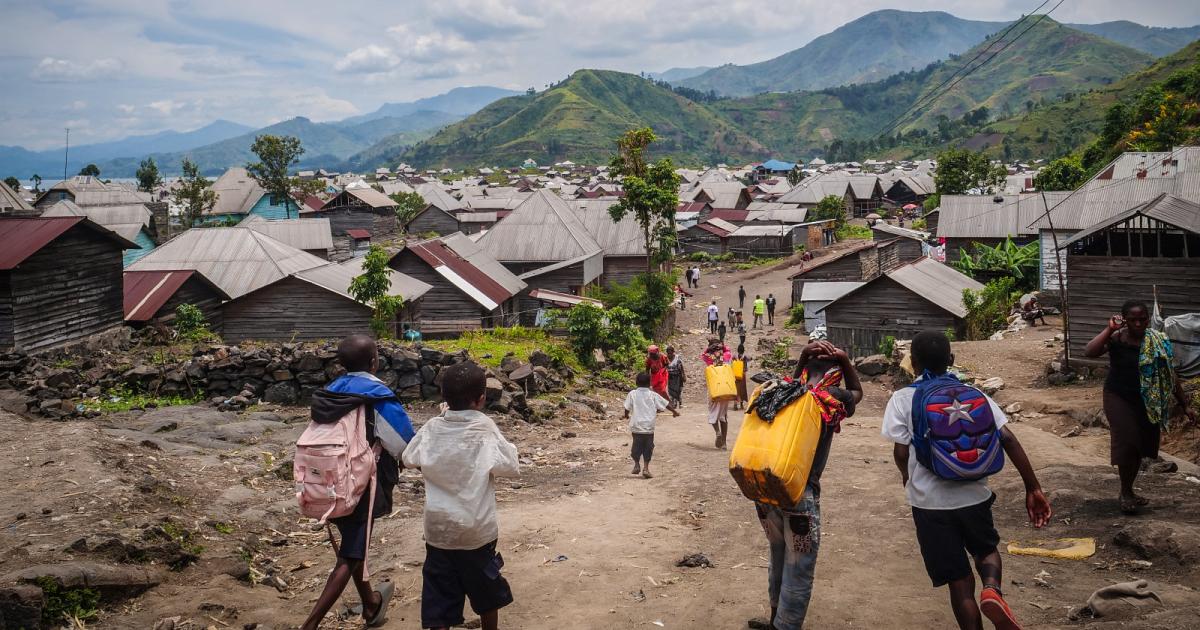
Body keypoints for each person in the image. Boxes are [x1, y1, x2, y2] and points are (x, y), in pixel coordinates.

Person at [882, 331, 1052, 630]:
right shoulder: (973, 393)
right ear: (951, 360)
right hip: (974, 495)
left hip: (929, 503)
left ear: (914, 363)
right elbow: (1007, 438)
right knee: (985, 550)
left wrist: (907, 479)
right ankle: (992, 590)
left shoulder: (902, 399)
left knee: (959, 583)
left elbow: (900, 450)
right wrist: (1033, 487)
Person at [301, 335, 415, 630]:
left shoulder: (329, 393)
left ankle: (371, 603)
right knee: (352, 553)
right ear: (374, 361)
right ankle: (310, 624)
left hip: (328, 480)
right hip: (363, 484)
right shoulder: (377, 396)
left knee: (353, 546)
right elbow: (403, 443)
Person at [749, 339, 862, 630]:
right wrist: (845, 359)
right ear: (833, 373)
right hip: (800, 495)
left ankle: (774, 618)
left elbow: (794, 378)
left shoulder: (779, 391)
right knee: (798, 566)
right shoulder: (829, 397)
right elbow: (857, 394)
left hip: (765, 491)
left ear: (804, 369)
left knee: (777, 553)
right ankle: (784, 626)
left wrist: (801, 358)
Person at [403, 362, 520, 630]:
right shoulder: (484, 427)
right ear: (481, 399)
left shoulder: (433, 427)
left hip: (438, 531)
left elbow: (409, 457)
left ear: (443, 398)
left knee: (440, 598)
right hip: (476, 531)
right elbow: (510, 466)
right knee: (485, 590)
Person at [1083, 299, 1196, 514]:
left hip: (1148, 401)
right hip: (1118, 396)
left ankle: (1129, 490)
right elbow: (1090, 351)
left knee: (1140, 447)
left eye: (1142, 319)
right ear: (1124, 319)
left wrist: (1184, 405)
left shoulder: (1158, 341)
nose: (1138, 324)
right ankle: (1126, 492)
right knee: (1127, 442)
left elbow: (1169, 375)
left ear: (1147, 319)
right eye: (1132, 320)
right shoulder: (1116, 339)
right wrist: (1109, 328)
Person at [624, 371, 679, 479]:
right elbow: (666, 404)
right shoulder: (653, 395)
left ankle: (636, 464)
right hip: (649, 427)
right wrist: (674, 412)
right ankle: (646, 468)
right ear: (650, 383)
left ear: (636, 383)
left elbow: (626, 407)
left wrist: (626, 415)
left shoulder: (632, 394)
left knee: (636, 446)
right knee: (648, 447)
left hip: (636, 426)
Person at [701, 341, 733, 449]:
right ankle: (724, 443)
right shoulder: (726, 357)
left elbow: (703, 354)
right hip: (726, 390)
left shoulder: (709, 359)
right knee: (723, 416)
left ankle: (717, 432)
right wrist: (722, 346)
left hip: (714, 391)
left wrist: (709, 348)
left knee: (712, 412)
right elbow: (728, 350)